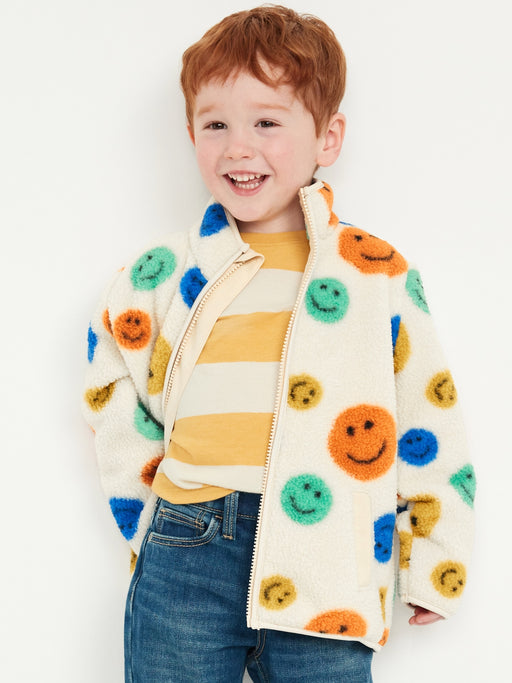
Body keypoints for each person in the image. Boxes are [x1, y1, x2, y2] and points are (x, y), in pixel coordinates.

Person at [83, 5, 475, 682]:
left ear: (327, 136)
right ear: (191, 134)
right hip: (187, 545)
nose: (238, 148)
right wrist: (146, 513)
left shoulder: (374, 272)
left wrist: (435, 556)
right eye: (216, 125)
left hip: (330, 557)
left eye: (266, 122)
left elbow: (427, 414)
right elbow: (109, 380)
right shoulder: (164, 271)